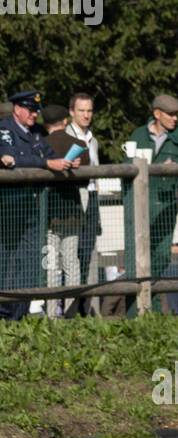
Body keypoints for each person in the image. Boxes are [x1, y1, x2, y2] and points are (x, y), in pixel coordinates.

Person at [0, 91, 76, 320]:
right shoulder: (4, 130)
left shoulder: (35, 133)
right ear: (17, 109)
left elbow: (49, 153)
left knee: (31, 261)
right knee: (6, 262)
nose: (35, 115)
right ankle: (4, 314)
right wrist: (45, 163)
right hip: (7, 207)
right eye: (31, 110)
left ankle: (17, 316)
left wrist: (67, 160)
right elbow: (8, 158)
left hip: (29, 208)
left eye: (36, 111)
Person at [128, 94, 178, 303]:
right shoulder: (137, 134)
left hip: (165, 204)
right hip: (138, 204)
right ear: (157, 114)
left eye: (177, 114)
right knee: (137, 258)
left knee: (161, 256)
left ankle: (148, 302)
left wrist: (176, 163)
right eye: (170, 114)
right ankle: (135, 308)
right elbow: (126, 160)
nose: (175, 118)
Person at [41, 104, 85, 317]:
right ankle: (71, 312)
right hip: (72, 211)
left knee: (50, 265)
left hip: (46, 215)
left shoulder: (39, 145)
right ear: (65, 121)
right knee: (72, 264)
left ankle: (51, 314)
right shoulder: (78, 144)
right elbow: (86, 181)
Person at [65, 92, 102, 316]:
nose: (86, 115)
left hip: (93, 199)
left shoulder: (93, 139)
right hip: (73, 202)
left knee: (90, 255)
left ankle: (89, 310)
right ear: (72, 112)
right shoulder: (64, 136)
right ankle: (69, 310)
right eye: (82, 111)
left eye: (89, 111)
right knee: (71, 257)